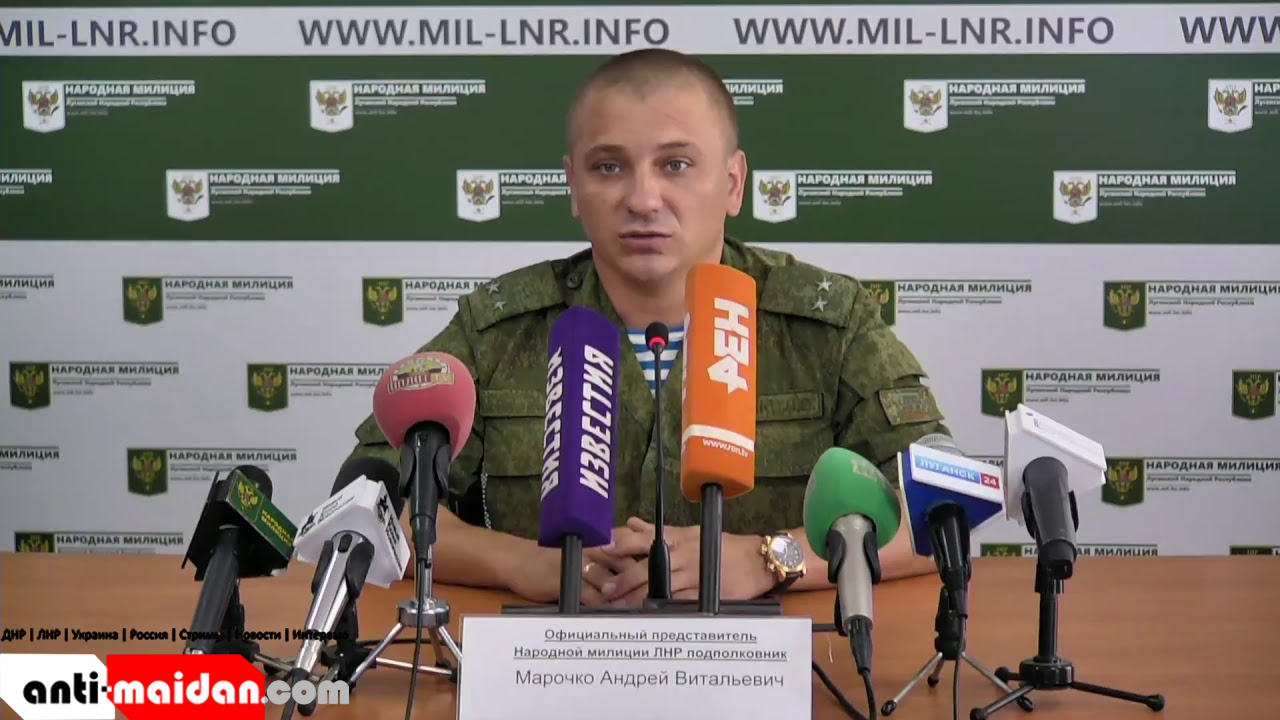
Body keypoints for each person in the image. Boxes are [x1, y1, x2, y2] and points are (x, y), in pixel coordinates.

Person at [343, 48, 946, 608]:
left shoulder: (828, 325)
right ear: (573, 186)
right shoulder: (496, 332)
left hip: (773, 663)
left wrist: (772, 558)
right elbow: (370, 505)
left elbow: (942, 514)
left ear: (733, 183)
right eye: (609, 167)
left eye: (675, 165)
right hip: (549, 661)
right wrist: (522, 564)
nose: (643, 199)